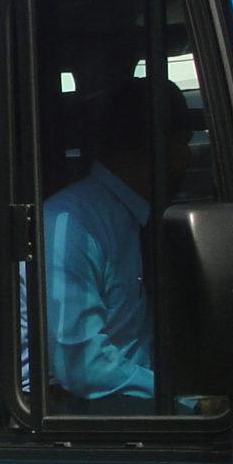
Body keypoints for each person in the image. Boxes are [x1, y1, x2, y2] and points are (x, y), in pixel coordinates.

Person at [42, 86, 190, 408]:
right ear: (152, 147)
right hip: (80, 415)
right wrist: (181, 399)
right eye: (184, 144)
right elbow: (81, 366)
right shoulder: (72, 223)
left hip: (136, 398)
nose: (190, 158)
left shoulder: (139, 218)